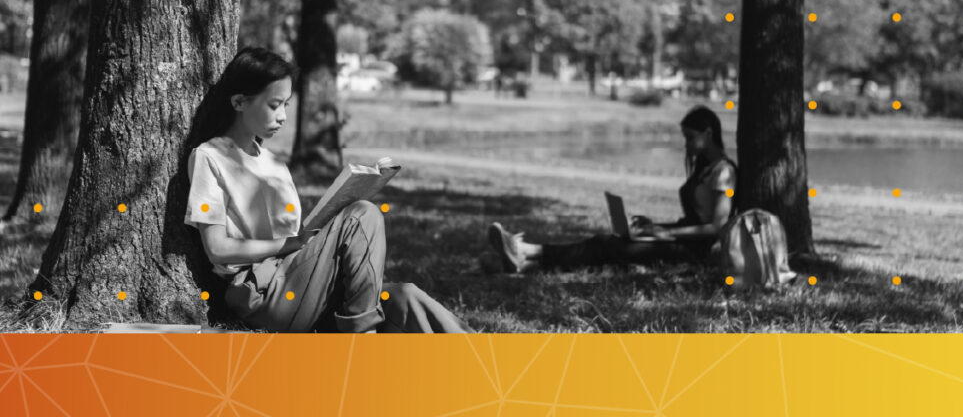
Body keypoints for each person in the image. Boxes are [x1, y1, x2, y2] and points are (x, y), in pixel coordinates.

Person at [184, 47, 473, 333]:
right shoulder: (210, 157)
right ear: (239, 102)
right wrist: (290, 245)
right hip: (261, 293)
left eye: (287, 104)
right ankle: (361, 336)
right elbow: (218, 249)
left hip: (299, 282)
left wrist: (315, 231)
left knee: (404, 297)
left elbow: (296, 240)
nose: (284, 116)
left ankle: (486, 360)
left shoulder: (273, 163)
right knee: (362, 215)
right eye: (274, 105)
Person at [482, 105, 737, 273]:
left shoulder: (724, 172)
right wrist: (657, 227)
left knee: (606, 244)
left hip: (692, 250)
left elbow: (717, 227)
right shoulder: (704, 169)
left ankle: (527, 251)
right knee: (615, 241)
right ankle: (525, 263)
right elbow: (694, 219)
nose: (687, 145)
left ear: (708, 133)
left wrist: (666, 233)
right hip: (679, 239)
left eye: (690, 137)